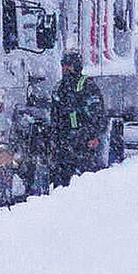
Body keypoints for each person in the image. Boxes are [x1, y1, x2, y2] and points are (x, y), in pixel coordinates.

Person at [50, 51, 106, 186]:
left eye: (68, 65)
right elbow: (55, 114)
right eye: (63, 65)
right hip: (63, 141)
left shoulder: (87, 85)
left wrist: (94, 136)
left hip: (83, 141)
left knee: (84, 180)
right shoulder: (59, 87)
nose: (65, 68)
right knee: (62, 181)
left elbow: (97, 114)